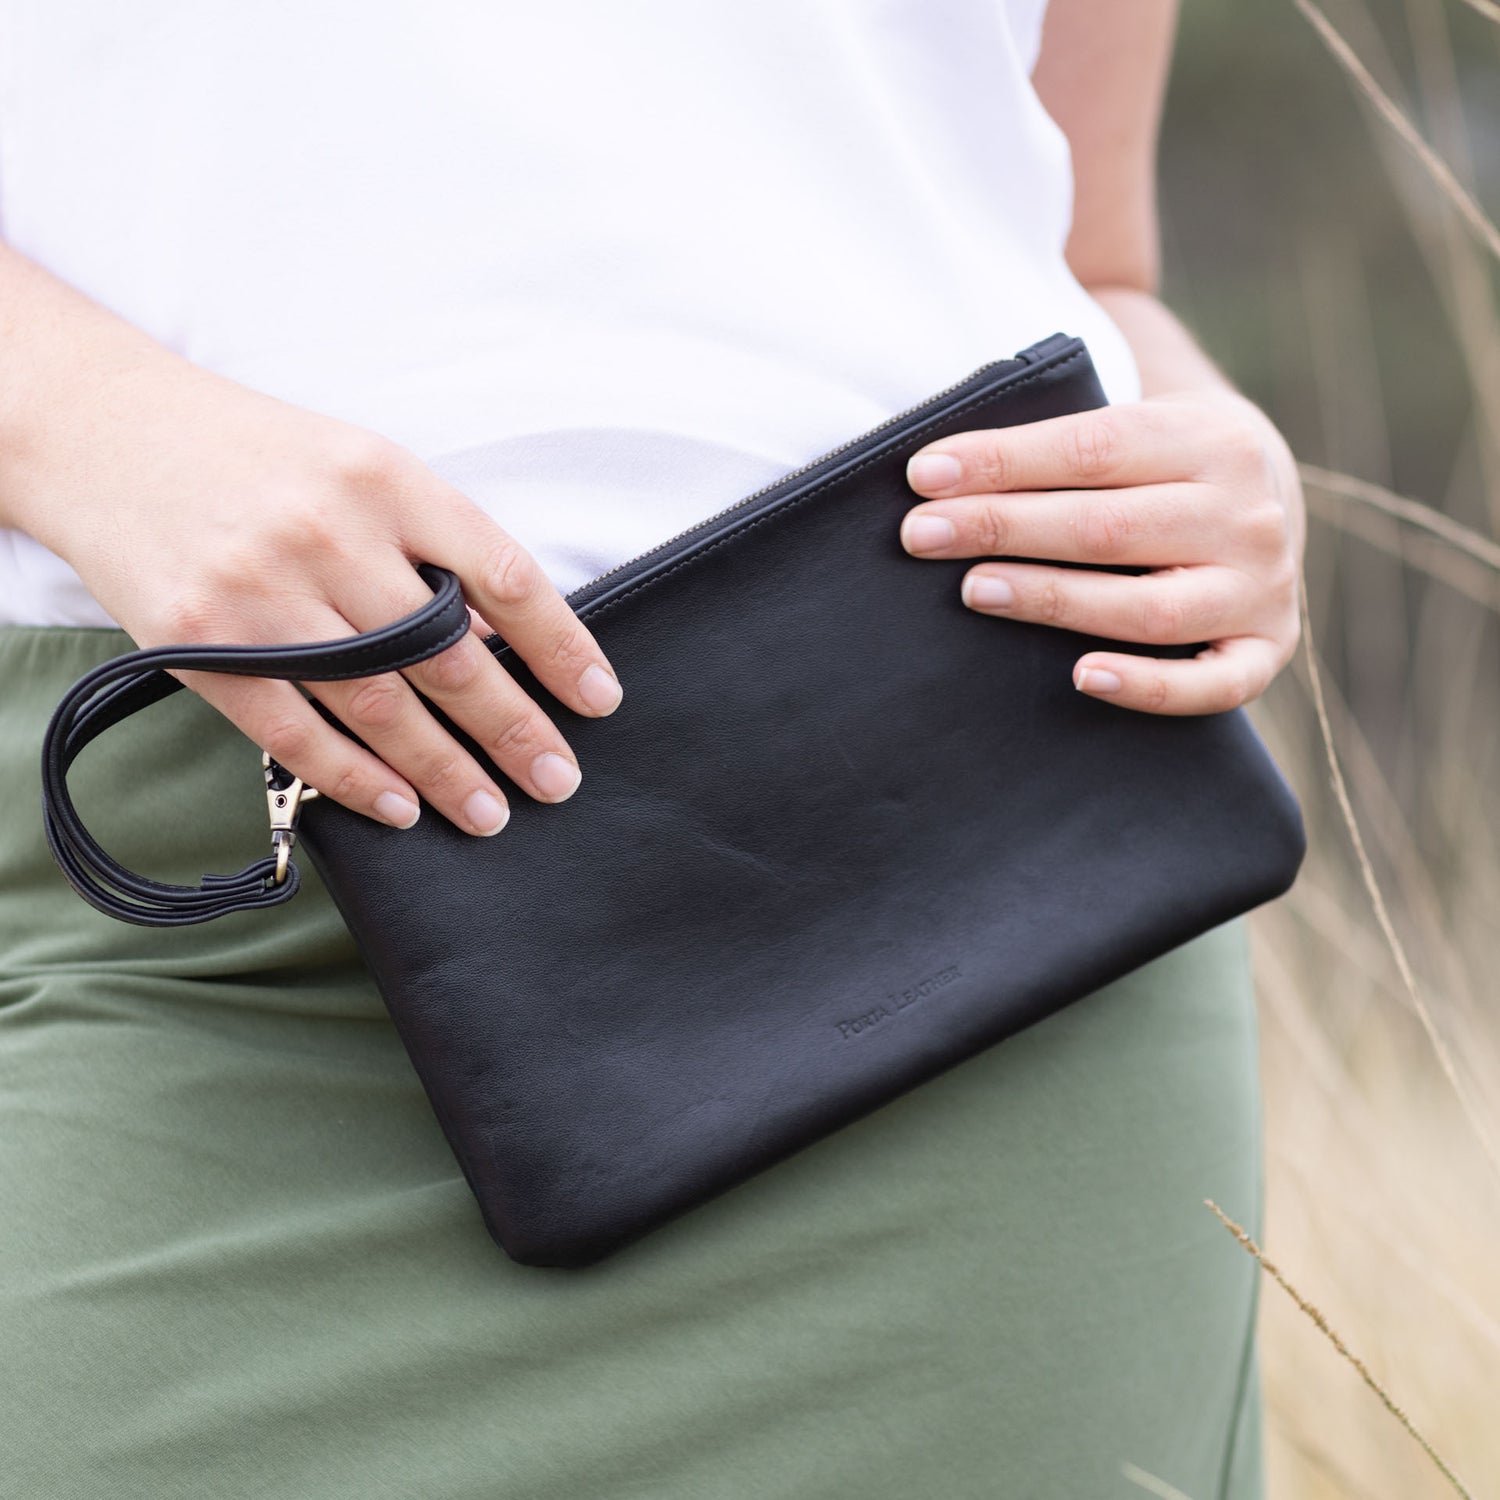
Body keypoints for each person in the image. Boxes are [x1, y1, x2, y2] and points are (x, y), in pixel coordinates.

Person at [0, 2, 1303, 1495]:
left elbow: (1096, 257)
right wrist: (80, 420)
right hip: (212, 931)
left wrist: (1214, 442)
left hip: (997, 911)